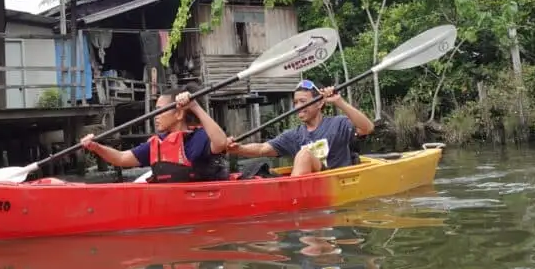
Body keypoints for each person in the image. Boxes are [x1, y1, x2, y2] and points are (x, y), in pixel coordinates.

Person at [79, 84, 232, 183]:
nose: (156, 116)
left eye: (161, 110)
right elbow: (121, 158)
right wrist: (96, 147)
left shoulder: (199, 138)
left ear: (179, 114)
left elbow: (221, 142)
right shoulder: (157, 144)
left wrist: (194, 106)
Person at [227, 80, 374, 176]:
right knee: (257, 170)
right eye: (296, 102)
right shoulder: (293, 135)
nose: (298, 107)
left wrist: (339, 102)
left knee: (304, 155)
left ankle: (291, 200)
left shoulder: (338, 123)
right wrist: (237, 148)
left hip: (335, 180)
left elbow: (367, 128)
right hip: (311, 186)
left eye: (303, 101)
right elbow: (262, 149)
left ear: (320, 103)